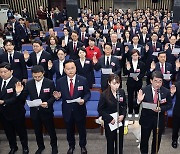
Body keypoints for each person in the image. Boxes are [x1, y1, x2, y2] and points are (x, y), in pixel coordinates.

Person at [16, 65, 58, 154]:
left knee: (51, 131)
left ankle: (54, 146)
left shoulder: (49, 82)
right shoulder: (29, 83)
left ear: (43, 73)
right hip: (35, 112)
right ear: (32, 75)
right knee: (37, 131)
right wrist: (19, 92)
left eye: (39, 76)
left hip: (46, 111)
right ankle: (40, 146)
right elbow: (23, 97)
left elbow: (53, 96)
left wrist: (48, 103)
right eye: (35, 77)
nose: (37, 78)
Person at [55, 59, 91, 154]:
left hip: (79, 109)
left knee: (82, 130)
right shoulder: (60, 81)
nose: (70, 71)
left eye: (72, 68)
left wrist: (84, 100)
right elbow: (58, 94)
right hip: (67, 110)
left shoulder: (83, 80)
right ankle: (71, 146)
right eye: (68, 69)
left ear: (76, 68)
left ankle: (83, 146)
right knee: (69, 130)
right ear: (64, 69)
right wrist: (58, 97)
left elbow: (87, 93)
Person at [137, 71, 172, 154]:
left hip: (159, 120)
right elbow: (135, 104)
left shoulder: (166, 91)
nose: (158, 84)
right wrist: (139, 100)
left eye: (160, 81)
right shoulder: (144, 90)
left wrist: (161, 108)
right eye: (155, 81)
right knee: (144, 140)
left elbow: (169, 105)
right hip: (146, 119)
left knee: (157, 140)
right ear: (151, 81)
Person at [0, 62, 29, 154]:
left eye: (5, 72)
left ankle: (25, 147)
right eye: (1, 72)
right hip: (3, 113)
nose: (3, 74)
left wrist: (17, 94)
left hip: (16, 112)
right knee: (8, 132)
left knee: (21, 132)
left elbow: (21, 99)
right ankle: (13, 147)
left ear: (11, 71)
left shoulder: (17, 82)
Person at [98, 74, 127, 154]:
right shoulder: (104, 94)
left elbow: (124, 105)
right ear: (109, 83)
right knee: (110, 143)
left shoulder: (121, 92)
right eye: (114, 83)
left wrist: (123, 115)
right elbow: (100, 110)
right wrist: (110, 119)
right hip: (110, 122)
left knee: (120, 142)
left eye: (118, 83)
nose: (116, 86)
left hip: (120, 121)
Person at [124, 49, 145, 118]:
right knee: (130, 97)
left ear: (138, 56)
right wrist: (127, 69)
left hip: (138, 83)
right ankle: (130, 111)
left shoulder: (142, 64)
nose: (135, 57)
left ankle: (136, 111)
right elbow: (125, 73)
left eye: (136, 55)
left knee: (137, 97)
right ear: (131, 56)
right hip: (130, 83)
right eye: (133, 55)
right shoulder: (128, 63)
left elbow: (143, 73)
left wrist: (138, 77)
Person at [170, 81, 180, 149]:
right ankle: (174, 140)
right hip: (178, 109)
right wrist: (172, 93)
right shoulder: (177, 84)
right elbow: (170, 98)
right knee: (176, 127)